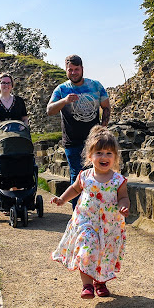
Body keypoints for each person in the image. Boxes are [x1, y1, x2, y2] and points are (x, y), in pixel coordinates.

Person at [51, 125, 129, 299]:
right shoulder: (85, 176)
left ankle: (100, 282)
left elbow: (123, 197)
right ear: (90, 156)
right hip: (86, 222)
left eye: (109, 153)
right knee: (87, 248)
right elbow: (74, 189)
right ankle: (87, 285)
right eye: (99, 153)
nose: (104, 157)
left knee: (104, 254)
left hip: (109, 226)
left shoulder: (118, 180)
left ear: (115, 157)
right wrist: (62, 199)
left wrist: (124, 206)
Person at [46, 55, 110, 207]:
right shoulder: (62, 89)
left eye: (76, 69)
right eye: (70, 70)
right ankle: (78, 215)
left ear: (82, 69)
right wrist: (65, 101)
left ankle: (96, 211)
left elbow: (106, 107)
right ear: (66, 71)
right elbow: (49, 110)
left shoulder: (95, 86)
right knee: (78, 178)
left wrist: (103, 128)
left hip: (93, 142)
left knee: (97, 176)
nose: (74, 72)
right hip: (72, 142)